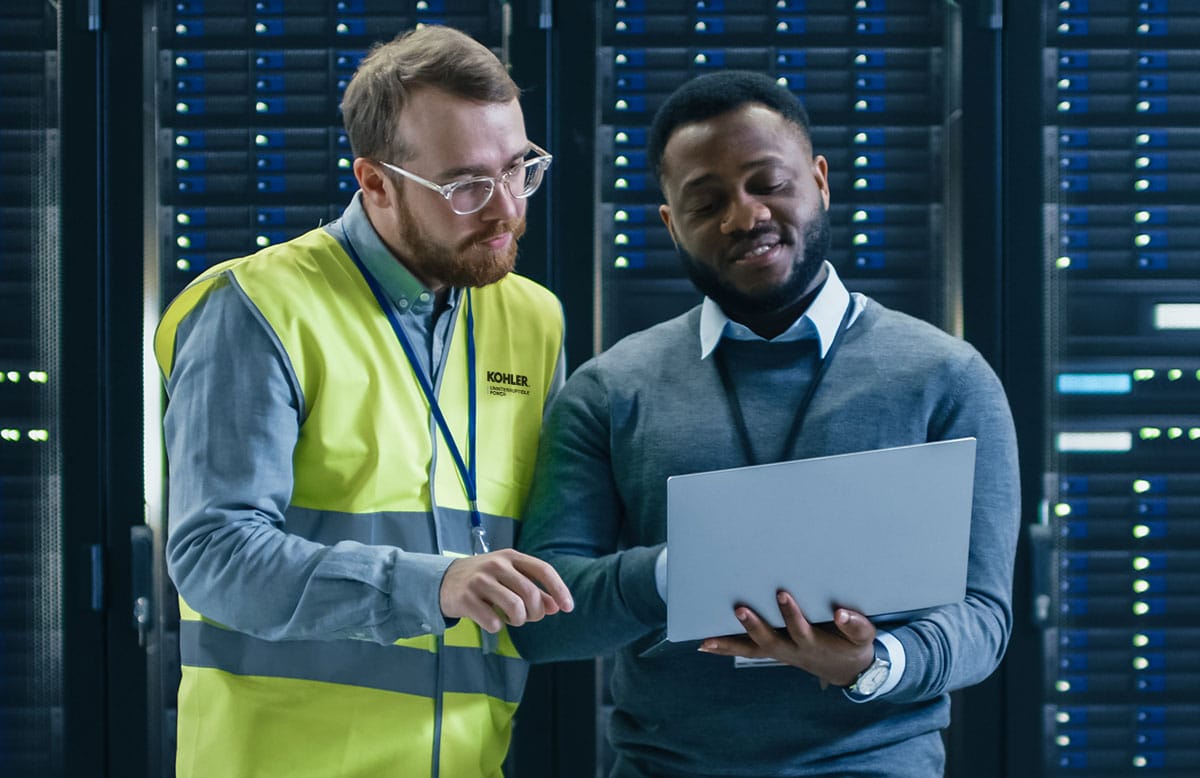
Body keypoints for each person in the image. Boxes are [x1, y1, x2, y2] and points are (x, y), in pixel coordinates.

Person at [512, 70, 1020, 777]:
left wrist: (873, 664)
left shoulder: (947, 378)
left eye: (768, 183)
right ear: (670, 223)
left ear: (819, 179)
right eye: (707, 200)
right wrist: (677, 573)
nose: (745, 216)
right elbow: (543, 621)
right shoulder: (610, 389)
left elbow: (984, 617)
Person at [153, 25, 574, 778]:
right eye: (466, 184)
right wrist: (434, 584)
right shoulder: (258, 308)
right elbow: (214, 555)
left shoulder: (533, 318)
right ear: (375, 182)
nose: (506, 208)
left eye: (520, 169)